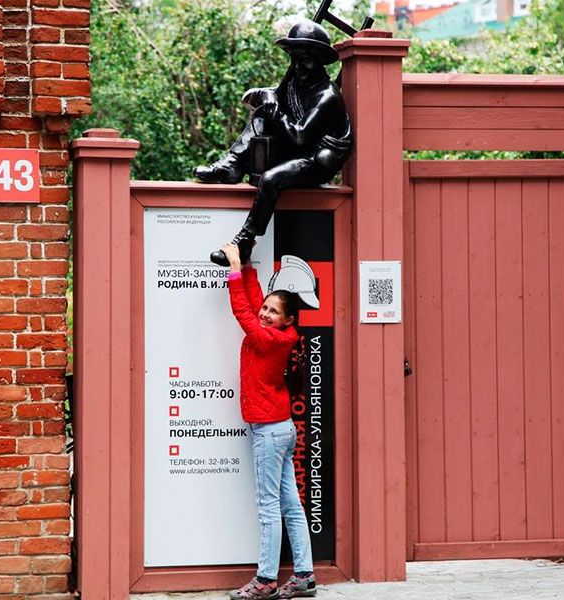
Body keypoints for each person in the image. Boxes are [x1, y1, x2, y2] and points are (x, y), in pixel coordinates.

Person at [197, 20, 352, 268]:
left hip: (319, 158)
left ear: (319, 59)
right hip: (299, 147)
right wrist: (267, 95)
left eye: (304, 59)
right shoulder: (295, 83)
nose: (297, 66)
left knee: (270, 179)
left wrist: (276, 111)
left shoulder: (327, 96)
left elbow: (300, 135)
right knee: (261, 114)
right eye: (293, 59)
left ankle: (244, 243)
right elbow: (249, 97)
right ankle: (233, 163)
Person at [222, 243, 317, 600]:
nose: (264, 314)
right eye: (266, 308)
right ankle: (304, 576)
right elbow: (254, 301)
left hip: (268, 430)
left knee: (268, 507)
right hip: (280, 429)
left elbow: (242, 312)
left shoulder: (270, 340)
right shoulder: (279, 334)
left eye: (273, 312)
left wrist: (232, 269)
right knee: (290, 505)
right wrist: (246, 268)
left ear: (288, 320)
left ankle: (265, 580)